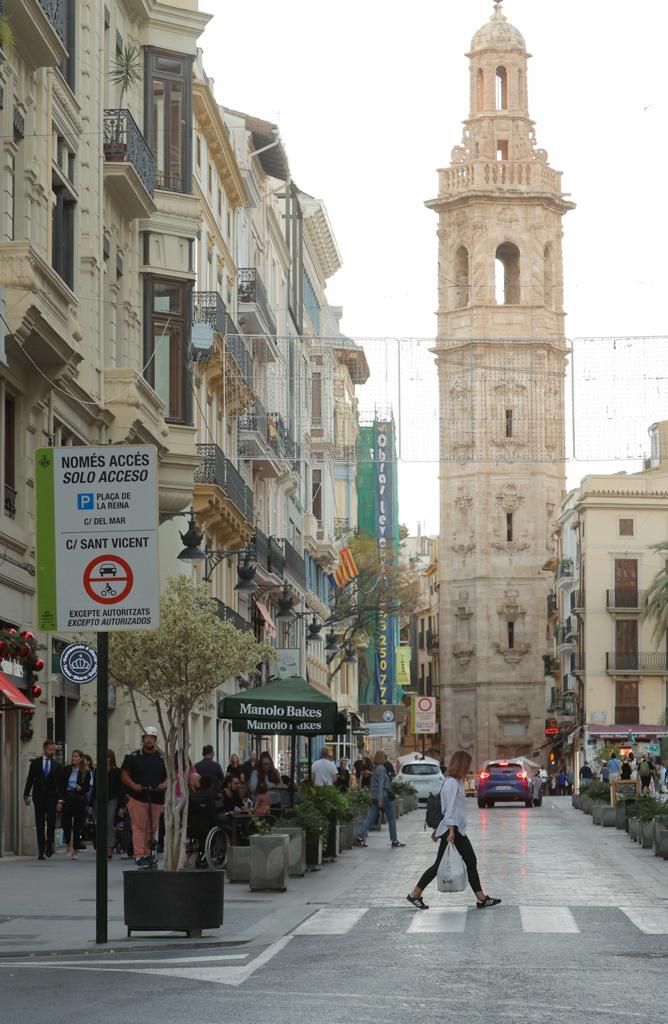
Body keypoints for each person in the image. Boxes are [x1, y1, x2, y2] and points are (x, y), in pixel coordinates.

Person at [407, 750, 501, 911]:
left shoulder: (454, 782)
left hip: (454, 828)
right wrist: (450, 831)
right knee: (466, 861)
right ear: (461, 765)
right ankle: (481, 898)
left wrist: (441, 830)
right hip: (454, 830)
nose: (468, 769)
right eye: (467, 765)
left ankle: (481, 898)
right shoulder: (451, 783)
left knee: (459, 862)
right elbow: (449, 809)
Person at [120, 726, 167, 868]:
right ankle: (139, 855)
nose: (149, 740)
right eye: (146, 737)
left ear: (156, 740)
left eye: (152, 737)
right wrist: (134, 785)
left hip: (156, 797)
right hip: (138, 797)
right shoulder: (133, 757)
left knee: (152, 828)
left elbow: (170, 776)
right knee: (138, 827)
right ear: (142, 739)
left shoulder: (162, 758)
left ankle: (148, 853)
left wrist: (163, 786)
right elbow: (124, 775)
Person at [353, 750, 405, 849]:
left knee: (370, 817)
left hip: (375, 797)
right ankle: (394, 840)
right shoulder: (381, 768)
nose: (386, 759)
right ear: (382, 758)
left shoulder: (376, 768)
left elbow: (376, 784)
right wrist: (380, 799)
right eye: (385, 757)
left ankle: (359, 836)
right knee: (392, 818)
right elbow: (380, 785)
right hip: (382, 797)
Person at [23, 740, 64, 860]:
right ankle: (41, 850)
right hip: (39, 797)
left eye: (54, 750)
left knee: (51, 822)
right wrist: (26, 794)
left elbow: (61, 784)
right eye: (50, 749)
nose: (52, 752)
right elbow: (30, 779)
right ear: (45, 749)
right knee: (40, 824)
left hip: (52, 797)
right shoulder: (36, 763)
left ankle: (49, 844)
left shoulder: (57, 765)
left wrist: (60, 800)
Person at [60, 749, 91, 859]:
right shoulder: (67, 769)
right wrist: (60, 800)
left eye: (76, 756)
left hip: (79, 799)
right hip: (68, 797)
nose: (74, 758)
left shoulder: (86, 772)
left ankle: (75, 849)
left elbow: (87, 788)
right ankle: (68, 842)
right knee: (66, 823)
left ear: (81, 758)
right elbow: (62, 785)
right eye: (73, 756)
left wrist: (81, 789)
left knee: (78, 826)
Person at [107, 750, 123, 860]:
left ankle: (109, 849)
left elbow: (120, 789)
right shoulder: (98, 770)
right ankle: (102, 847)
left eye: (108, 757)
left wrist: (121, 805)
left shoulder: (117, 772)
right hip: (99, 800)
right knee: (100, 825)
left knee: (109, 824)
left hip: (112, 799)